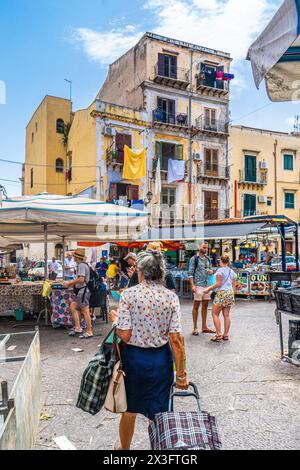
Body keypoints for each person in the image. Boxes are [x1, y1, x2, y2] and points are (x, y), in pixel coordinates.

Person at [112, 250, 188, 451]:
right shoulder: (171, 297)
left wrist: (115, 322)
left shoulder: (128, 295)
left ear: (140, 272)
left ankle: (124, 450)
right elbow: (176, 340)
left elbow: (125, 335)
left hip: (134, 360)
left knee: (129, 411)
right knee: (159, 414)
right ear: (160, 273)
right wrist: (181, 374)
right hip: (161, 360)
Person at [203, 254, 237, 342]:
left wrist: (208, 289)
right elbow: (234, 287)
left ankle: (218, 334)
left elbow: (218, 284)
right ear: (228, 262)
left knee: (215, 314)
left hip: (222, 293)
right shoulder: (232, 272)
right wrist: (232, 295)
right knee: (226, 315)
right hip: (230, 293)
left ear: (220, 261)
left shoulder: (219, 271)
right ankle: (225, 335)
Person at [63, 249, 93, 339]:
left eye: (74, 256)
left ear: (77, 257)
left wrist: (69, 283)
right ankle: (78, 327)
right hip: (82, 290)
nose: (73, 258)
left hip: (83, 290)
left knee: (85, 311)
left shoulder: (81, 266)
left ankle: (89, 331)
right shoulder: (82, 265)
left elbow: (81, 279)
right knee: (73, 306)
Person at [188, 242, 215, 336]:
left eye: (206, 248)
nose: (206, 249)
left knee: (205, 306)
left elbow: (211, 270)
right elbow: (190, 273)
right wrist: (192, 285)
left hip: (207, 285)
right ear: (199, 247)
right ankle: (195, 328)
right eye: (204, 247)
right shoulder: (194, 259)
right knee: (196, 306)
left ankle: (204, 326)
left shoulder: (208, 259)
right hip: (198, 284)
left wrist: (211, 271)